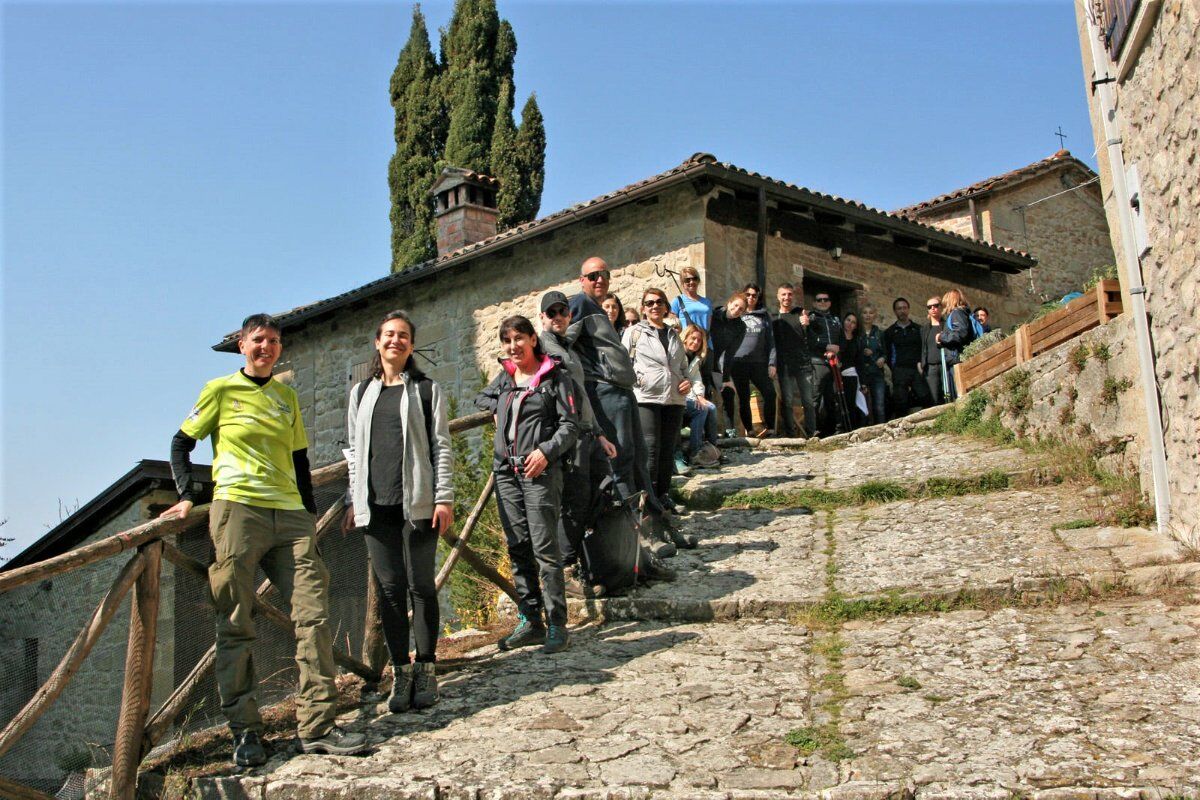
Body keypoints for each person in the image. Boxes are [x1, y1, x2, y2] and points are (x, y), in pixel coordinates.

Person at [160, 314, 367, 767]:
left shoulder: (286, 395)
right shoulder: (219, 391)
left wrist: (309, 511)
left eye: (274, 341)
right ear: (242, 345)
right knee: (235, 623)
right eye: (258, 340)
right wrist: (186, 496)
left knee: (314, 615)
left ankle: (318, 726)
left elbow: (299, 458)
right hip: (238, 511)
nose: (266, 347)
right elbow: (181, 443)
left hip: (290, 516)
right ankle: (246, 733)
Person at [343, 310, 453, 714]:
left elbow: (441, 446)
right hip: (376, 507)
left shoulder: (426, 390)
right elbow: (354, 454)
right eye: (389, 335)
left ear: (411, 345)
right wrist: (355, 500)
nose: (396, 341)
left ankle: (426, 669)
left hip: (418, 503)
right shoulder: (360, 394)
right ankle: (400, 672)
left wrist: (444, 498)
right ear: (377, 342)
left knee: (421, 586)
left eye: (403, 336)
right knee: (390, 592)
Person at [565, 257, 686, 555]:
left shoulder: (599, 312)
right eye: (592, 275)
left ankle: (659, 527)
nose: (599, 280)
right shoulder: (578, 304)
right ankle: (640, 538)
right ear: (582, 279)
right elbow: (557, 344)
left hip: (622, 392)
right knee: (620, 465)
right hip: (603, 392)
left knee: (639, 461)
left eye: (604, 274)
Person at [476, 315, 579, 654]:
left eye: (519, 338)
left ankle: (557, 624)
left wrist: (546, 453)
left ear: (534, 339)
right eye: (507, 341)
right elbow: (482, 398)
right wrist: (496, 407)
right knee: (517, 545)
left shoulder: (555, 378)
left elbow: (570, 426)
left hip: (540, 472)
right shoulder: (506, 376)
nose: (513, 346)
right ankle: (530, 619)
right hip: (506, 472)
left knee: (544, 548)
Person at [538, 291, 618, 598]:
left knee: (603, 490)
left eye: (563, 311)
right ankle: (565, 569)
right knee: (574, 502)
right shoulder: (542, 348)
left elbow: (581, 396)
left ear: (569, 316)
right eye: (552, 312)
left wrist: (599, 432)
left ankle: (592, 559)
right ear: (542, 318)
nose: (558, 316)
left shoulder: (566, 348)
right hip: (567, 437)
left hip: (588, 434)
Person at [623, 289, 696, 538]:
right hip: (646, 398)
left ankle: (663, 497)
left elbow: (683, 367)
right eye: (649, 303)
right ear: (643, 308)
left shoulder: (674, 335)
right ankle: (647, 504)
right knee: (651, 450)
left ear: (666, 307)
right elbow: (624, 364)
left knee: (667, 450)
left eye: (659, 302)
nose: (654, 306)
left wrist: (687, 381)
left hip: (674, 399)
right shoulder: (634, 333)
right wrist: (639, 381)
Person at [726, 283, 778, 436]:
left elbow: (771, 341)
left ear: (757, 298)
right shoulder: (736, 313)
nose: (750, 298)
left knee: (770, 393)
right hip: (738, 363)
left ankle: (770, 429)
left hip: (759, 363)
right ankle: (750, 430)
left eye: (754, 295)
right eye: (748, 295)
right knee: (744, 398)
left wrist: (772, 363)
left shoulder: (764, 315)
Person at [773, 283, 815, 438]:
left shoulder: (800, 314)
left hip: (803, 365)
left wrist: (807, 325)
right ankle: (791, 434)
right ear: (778, 296)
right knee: (788, 402)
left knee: (808, 401)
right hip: (784, 366)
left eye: (790, 294)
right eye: (783, 294)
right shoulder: (774, 319)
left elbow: (811, 337)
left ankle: (812, 432)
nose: (787, 297)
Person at [883, 297, 931, 418]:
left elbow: (923, 348)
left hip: (917, 369)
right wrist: (894, 367)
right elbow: (887, 352)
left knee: (924, 396)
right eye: (899, 308)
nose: (902, 311)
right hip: (899, 370)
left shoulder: (918, 329)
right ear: (895, 311)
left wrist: (922, 364)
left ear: (908, 309)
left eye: (904, 308)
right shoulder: (889, 332)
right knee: (900, 402)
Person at [681, 323, 721, 465]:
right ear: (685, 338)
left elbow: (696, 379)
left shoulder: (695, 358)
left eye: (699, 340)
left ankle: (711, 449)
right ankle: (695, 452)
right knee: (701, 409)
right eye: (693, 338)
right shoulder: (679, 354)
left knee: (711, 407)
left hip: (689, 396)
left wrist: (700, 396)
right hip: (677, 397)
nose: (696, 342)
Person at [709, 291, 748, 437]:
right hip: (702, 359)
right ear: (729, 303)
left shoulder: (740, 327)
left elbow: (730, 354)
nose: (737, 310)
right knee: (705, 392)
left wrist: (726, 378)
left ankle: (730, 430)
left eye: (741, 309)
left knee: (728, 392)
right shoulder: (713, 315)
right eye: (736, 305)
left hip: (715, 364)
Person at [806, 291, 844, 435]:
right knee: (815, 397)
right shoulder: (811, 318)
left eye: (825, 300)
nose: (822, 302)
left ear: (830, 302)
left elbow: (841, 339)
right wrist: (826, 347)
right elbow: (809, 339)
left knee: (834, 398)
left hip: (834, 362)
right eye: (819, 300)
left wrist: (836, 351)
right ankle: (813, 431)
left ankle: (835, 430)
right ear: (814, 303)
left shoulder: (836, 320)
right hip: (817, 362)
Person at [937, 288, 977, 400]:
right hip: (958, 358)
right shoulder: (964, 313)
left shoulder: (957, 313)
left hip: (957, 359)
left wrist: (941, 337)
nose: (944, 307)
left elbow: (960, 334)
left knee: (960, 394)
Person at [858, 304, 888, 425]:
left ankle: (881, 430)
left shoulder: (879, 333)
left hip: (876, 373)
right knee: (862, 406)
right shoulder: (857, 333)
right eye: (865, 312)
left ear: (875, 315)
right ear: (861, 315)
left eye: (871, 313)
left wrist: (882, 359)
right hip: (861, 374)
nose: (868, 315)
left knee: (879, 405)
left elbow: (886, 353)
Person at [838, 311, 867, 429]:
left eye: (853, 322)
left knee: (851, 404)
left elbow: (859, 362)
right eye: (848, 320)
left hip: (851, 375)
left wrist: (863, 382)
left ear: (856, 326)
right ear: (843, 321)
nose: (850, 323)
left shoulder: (857, 341)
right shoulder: (837, 337)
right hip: (837, 375)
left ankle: (852, 429)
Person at [919, 296, 948, 404]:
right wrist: (920, 363)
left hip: (946, 365)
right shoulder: (924, 329)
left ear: (941, 307)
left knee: (948, 396)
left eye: (936, 305)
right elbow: (922, 347)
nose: (933, 308)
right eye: (929, 307)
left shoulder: (946, 326)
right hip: (930, 367)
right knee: (934, 399)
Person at [668, 266, 713, 331]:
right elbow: (673, 325)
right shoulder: (677, 301)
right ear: (682, 283)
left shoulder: (707, 302)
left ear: (698, 281)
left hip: (706, 340)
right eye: (687, 280)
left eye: (694, 278)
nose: (691, 282)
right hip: (687, 340)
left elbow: (709, 326)